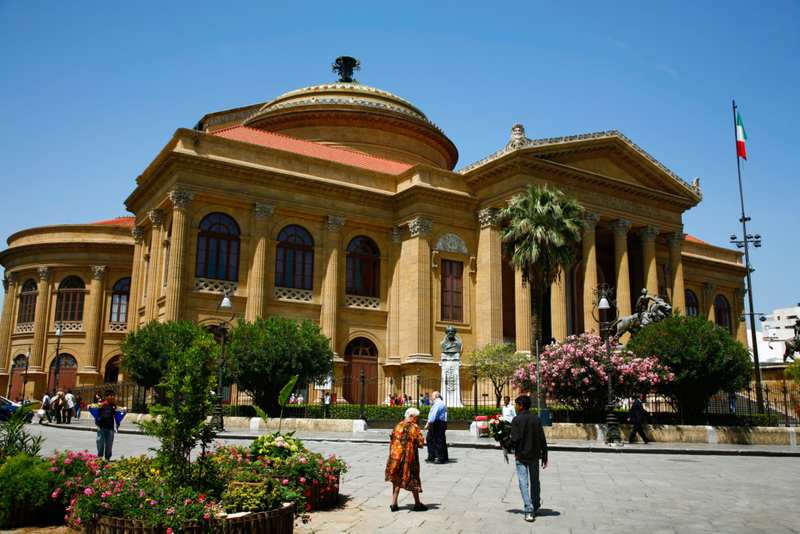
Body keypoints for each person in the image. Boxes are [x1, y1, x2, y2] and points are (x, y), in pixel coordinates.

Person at [505, 395, 548, 523]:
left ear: (521, 406)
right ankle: (535, 505)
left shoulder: (516, 420)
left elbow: (515, 439)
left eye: (517, 405)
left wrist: (505, 444)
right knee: (535, 481)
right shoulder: (536, 419)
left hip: (521, 455)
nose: (516, 407)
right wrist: (545, 455)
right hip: (534, 455)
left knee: (523, 482)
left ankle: (528, 509)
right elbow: (542, 438)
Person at [385, 407, 427, 512]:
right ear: (412, 417)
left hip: (396, 456)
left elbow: (391, 436)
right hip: (409, 458)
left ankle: (394, 504)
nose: (417, 419)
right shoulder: (414, 427)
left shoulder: (398, 425)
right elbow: (421, 442)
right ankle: (417, 504)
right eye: (417, 417)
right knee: (413, 478)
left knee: (397, 479)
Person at [424, 391, 448, 464]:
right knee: (430, 438)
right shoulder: (437, 403)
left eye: (432, 396)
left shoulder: (438, 403)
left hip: (437, 423)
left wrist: (428, 423)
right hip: (436, 423)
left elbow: (434, 414)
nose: (431, 397)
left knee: (439, 440)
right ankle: (432, 456)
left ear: (436, 396)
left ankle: (441, 458)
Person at [95, 389, 119, 460]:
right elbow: (97, 414)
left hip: (110, 427)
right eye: (110, 396)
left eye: (113, 396)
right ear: (106, 397)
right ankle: (100, 456)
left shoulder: (114, 405)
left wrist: (118, 422)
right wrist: (96, 420)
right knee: (100, 442)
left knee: (109, 443)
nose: (112, 397)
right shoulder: (102, 405)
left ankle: (107, 457)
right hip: (102, 426)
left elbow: (116, 415)